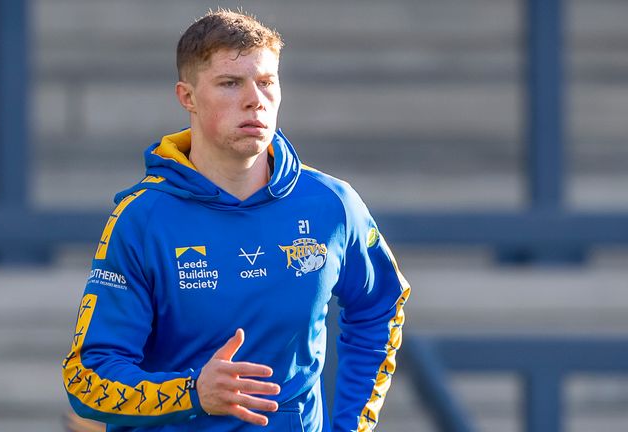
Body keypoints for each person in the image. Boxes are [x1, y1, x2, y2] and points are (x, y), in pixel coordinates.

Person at [62, 9, 410, 432]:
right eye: (230, 83)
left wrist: (352, 425)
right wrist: (191, 394)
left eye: (266, 82)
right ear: (187, 97)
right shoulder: (141, 219)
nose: (254, 100)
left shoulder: (331, 204)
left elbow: (380, 306)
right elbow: (88, 377)